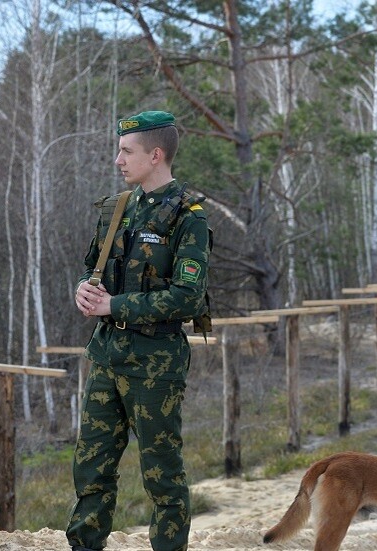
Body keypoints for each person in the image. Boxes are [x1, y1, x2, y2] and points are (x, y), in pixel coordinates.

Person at [67, 110, 212, 551]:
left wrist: (116, 304)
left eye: (126, 152)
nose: (118, 160)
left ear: (156, 154)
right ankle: (85, 544)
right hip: (107, 353)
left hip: (155, 361)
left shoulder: (188, 216)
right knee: (91, 466)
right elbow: (94, 268)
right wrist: (86, 291)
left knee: (161, 472)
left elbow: (188, 297)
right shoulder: (119, 209)